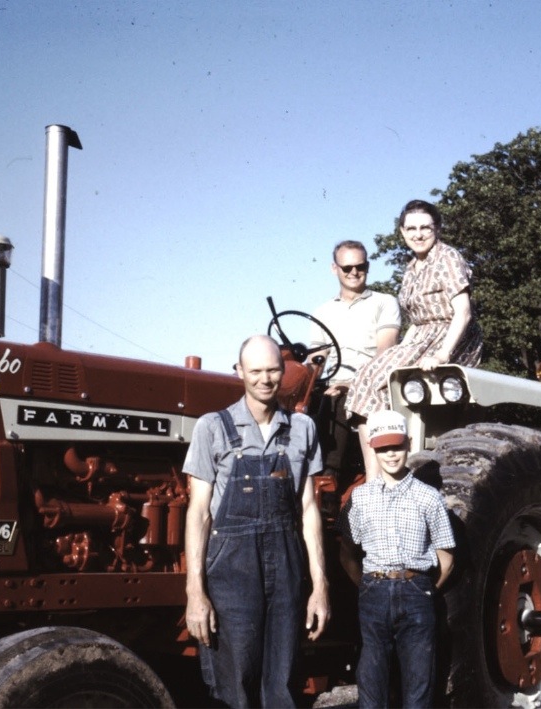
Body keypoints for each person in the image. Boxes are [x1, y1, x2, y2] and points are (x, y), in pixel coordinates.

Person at [184, 334, 330, 708]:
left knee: (282, 681)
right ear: (239, 372)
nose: (265, 380)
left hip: (286, 565)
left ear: (284, 372)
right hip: (231, 570)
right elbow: (199, 512)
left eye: (272, 371)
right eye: (256, 371)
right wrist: (195, 593)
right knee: (236, 679)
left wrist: (319, 585)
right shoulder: (212, 428)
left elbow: (309, 508)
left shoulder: (302, 429)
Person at [346, 200, 482, 475]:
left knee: (375, 381)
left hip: (450, 335)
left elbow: (463, 312)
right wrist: (401, 349)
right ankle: (376, 476)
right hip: (420, 336)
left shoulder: (448, 257)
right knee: (365, 377)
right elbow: (416, 320)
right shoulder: (411, 268)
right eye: (411, 228)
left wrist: (442, 354)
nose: (418, 234)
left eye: (425, 228)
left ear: (438, 229)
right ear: (402, 231)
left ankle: (383, 475)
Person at [338, 410, 455, 708]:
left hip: (417, 591)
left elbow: (446, 556)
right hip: (373, 591)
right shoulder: (360, 498)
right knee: (372, 677)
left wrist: (424, 589)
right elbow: (348, 553)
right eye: (383, 448)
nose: (391, 455)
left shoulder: (428, 497)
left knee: (420, 679)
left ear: (408, 444)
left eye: (397, 446)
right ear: (374, 450)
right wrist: (368, 584)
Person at [309, 240, 400, 479]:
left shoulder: (384, 302)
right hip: (332, 383)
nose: (354, 273)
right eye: (347, 268)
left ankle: (329, 481)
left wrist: (351, 384)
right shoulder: (323, 311)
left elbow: (385, 354)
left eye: (360, 266)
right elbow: (316, 359)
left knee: (338, 400)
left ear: (367, 266)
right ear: (334, 268)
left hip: (371, 384)